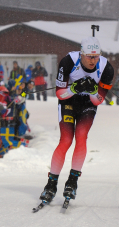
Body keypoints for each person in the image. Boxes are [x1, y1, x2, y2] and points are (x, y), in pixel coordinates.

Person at [37, 37, 114, 205]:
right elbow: (59, 93)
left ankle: (72, 181)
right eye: (89, 56)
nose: (93, 60)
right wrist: (74, 88)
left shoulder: (106, 68)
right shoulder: (68, 62)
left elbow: (98, 101)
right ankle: (51, 184)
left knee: (81, 136)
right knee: (65, 140)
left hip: (87, 104)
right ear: (81, 54)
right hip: (68, 101)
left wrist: (93, 90)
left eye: (96, 56)